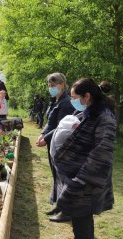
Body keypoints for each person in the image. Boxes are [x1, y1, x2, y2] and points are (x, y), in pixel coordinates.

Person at [53, 78, 116, 239]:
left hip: (87, 180)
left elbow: (102, 155)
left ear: (87, 96)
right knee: (81, 222)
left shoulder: (105, 117)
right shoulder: (91, 112)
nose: (73, 101)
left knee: (82, 225)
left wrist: (79, 181)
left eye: (75, 97)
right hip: (81, 177)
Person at [36, 72, 75, 222]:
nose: (51, 88)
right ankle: (59, 205)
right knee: (56, 175)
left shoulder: (66, 103)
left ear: (63, 85)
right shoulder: (55, 101)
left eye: (54, 85)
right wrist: (43, 133)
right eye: (49, 85)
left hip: (61, 145)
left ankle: (67, 211)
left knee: (63, 176)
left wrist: (45, 138)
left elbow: (60, 127)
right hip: (53, 144)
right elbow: (50, 123)